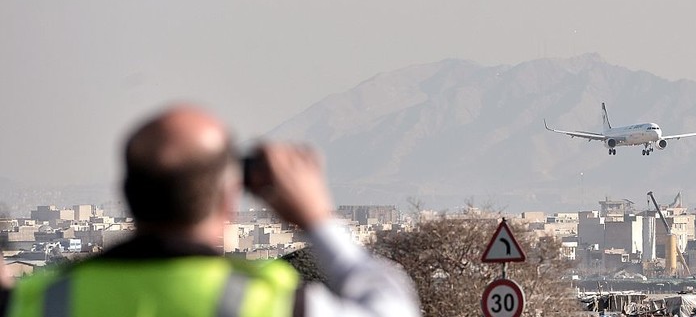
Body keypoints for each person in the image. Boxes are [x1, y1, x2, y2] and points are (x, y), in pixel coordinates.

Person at [1, 104, 420, 317]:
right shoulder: (263, 302)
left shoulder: (45, 300)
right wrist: (318, 221)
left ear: (127, 192)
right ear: (229, 198)